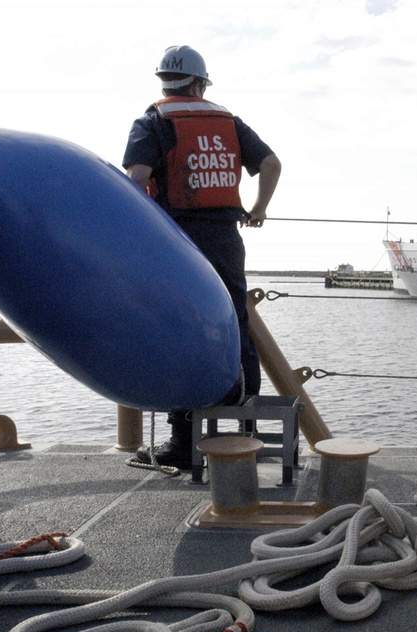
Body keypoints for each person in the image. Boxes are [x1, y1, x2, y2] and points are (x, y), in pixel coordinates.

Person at [124, 45, 281, 469]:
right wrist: (259, 207)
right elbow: (270, 162)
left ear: (163, 81)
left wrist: (144, 232)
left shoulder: (153, 121)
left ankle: (183, 441)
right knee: (234, 318)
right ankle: (245, 417)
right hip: (225, 238)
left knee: (181, 328)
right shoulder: (227, 121)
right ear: (200, 82)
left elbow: (136, 179)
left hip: (176, 242)